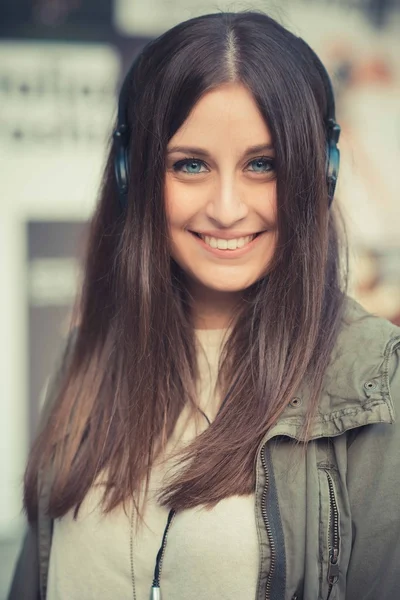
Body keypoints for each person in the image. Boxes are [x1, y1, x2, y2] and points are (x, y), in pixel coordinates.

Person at [8, 10, 400, 600]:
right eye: (190, 164)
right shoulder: (82, 363)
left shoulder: (376, 379)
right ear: (129, 173)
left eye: (261, 165)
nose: (225, 207)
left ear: (320, 174)